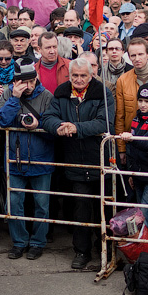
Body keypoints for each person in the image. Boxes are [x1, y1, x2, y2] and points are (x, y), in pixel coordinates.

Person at [41, 58, 115, 271]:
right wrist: (59, 127)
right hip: (74, 161)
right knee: (80, 209)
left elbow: (105, 122)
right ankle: (81, 251)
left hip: (99, 160)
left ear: (91, 74)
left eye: (84, 76)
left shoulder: (102, 92)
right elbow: (48, 118)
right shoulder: (62, 92)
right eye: (75, 76)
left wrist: (76, 128)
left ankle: (108, 250)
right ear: (70, 75)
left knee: (105, 209)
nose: (79, 80)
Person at [0, 64, 54, 260]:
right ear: (15, 82)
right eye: (22, 82)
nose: (27, 86)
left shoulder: (47, 96)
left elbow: (54, 124)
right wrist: (15, 98)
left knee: (42, 204)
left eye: (31, 81)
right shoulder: (9, 94)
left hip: (41, 158)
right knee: (14, 203)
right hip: (14, 158)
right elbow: (1, 119)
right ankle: (19, 242)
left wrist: (38, 124)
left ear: (36, 80)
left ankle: (37, 243)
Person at [118, 83, 148, 241]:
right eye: (140, 100)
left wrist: (132, 139)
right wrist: (131, 172)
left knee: (146, 213)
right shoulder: (136, 119)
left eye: (147, 101)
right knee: (141, 214)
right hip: (138, 173)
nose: (143, 104)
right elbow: (132, 152)